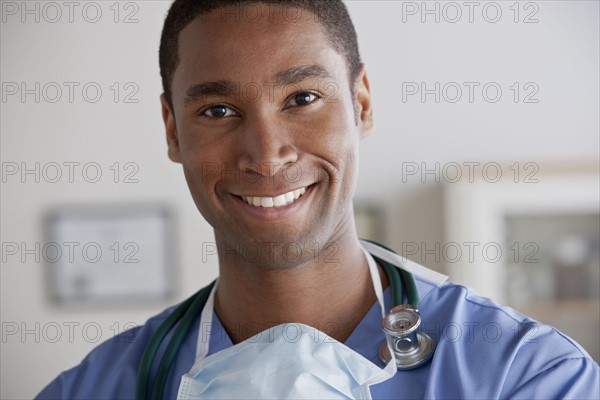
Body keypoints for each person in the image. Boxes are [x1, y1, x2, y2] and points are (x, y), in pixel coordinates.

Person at [37, 1, 599, 399]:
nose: (266, 154)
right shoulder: (92, 389)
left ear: (362, 104)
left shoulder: (527, 377)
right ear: (172, 129)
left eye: (302, 98)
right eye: (217, 110)